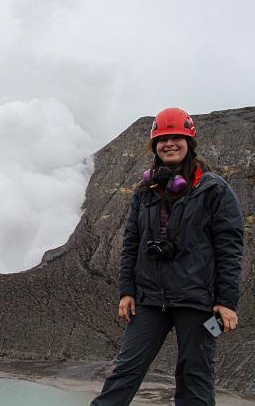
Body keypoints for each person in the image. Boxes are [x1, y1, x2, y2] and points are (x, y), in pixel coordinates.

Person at [91, 108, 243, 406]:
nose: (169, 143)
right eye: (162, 139)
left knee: (194, 379)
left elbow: (229, 248)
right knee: (124, 372)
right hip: (150, 298)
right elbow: (131, 244)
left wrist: (226, 301)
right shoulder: (145, 191)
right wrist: (127, 291)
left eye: (177, 137)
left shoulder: (213, 189)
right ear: (154, 146)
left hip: (196, 300)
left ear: (190, 141)